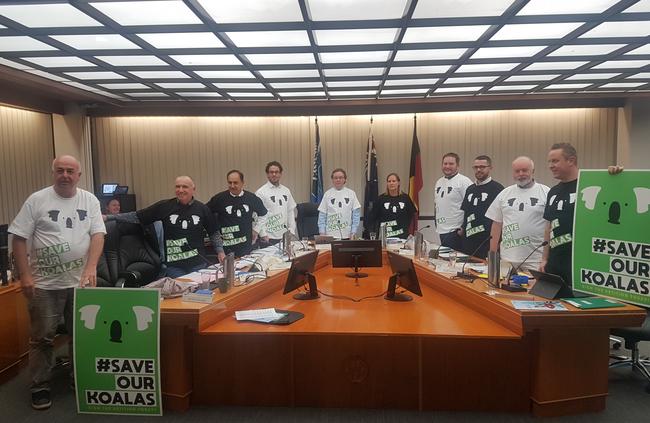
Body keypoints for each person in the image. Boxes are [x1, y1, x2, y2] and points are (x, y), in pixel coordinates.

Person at [9, 155, 106, 410]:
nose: (65, 175)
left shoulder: (89, 200)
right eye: (60, 170)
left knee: (81, 334)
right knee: (42, 337)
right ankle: (40, 384)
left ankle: (79, 378)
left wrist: (92, 267)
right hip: (44, 284)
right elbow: (18, 238)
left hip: (80, 283)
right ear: (53, 173)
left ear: (79, 175)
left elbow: (97, 235)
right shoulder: (37, 200)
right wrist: (25, 275)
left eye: (70, 171)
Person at [106, 176, 224, 278]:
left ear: (193, 189)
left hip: (198, 265)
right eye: (177, 187)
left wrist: (220, 252)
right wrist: (109, 217)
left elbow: (213, 233)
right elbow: (137, 216)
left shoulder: (202, 209)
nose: (180, 190)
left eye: (185, 187)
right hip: (174, 267)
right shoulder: (165, 206)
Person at [486, 156, 549, 271]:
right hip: (507, 259)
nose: (521, 174)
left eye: (525, 170)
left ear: (533, 171)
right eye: (517, 171)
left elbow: (551, 227)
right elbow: (496, 224)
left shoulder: (546, 193)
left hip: (535, 260)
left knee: (532, 289)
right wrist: (493, 255)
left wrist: (546, 258)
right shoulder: (504, 194)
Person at [207, 170, 267, 258]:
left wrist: (256, 230)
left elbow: (264, 214)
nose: (232, 186)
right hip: (227, 250)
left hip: (246, 248)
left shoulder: (251, 198)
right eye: (229, 182)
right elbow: (205, 214)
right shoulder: (219, 199)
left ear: (242, 183)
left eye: (235, 183)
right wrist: (214, 231)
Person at [460, 155, 504, 258]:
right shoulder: (470, 189)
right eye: (476, 167)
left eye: (482, 167)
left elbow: (501, 218)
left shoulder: (498, 189)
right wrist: (462, 229)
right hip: (468, 241)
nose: (478, 169)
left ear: (490, 168)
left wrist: (497, 243)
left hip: (487, 242)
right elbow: (466, 212)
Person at [434, 152, 472, 250]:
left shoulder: (464, 181)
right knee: (446, 261)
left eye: (451, 164)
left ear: (458, 166)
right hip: (442, 230)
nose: (447, 166)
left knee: (456, 262)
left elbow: (471, 206)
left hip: (456, 231)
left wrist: (464, 227)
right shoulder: (439, 182)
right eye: (445, 163)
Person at [254, 161, 297, 245]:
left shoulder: (286, 190)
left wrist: (292, 229)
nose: (274, 174)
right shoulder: (260, 192)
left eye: (276, 172)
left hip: (285, 236)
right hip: (268, 237)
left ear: (280, 174)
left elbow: (290, 211)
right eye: (271, 172)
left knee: (287, 258)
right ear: (267, 174)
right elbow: (256, 216)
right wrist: (263, 234)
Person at [367, 173, 416, 239]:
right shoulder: (381, 199)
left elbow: (412, 215)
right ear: (387, 184)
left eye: (394, 181)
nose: (391, 183)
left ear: (398, 183)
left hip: (402, 236)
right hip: (385, 237)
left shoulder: (405, 198)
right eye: (389, 181)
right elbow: (373, 217)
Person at [318, 168, 361, 239]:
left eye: (340, 178)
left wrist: (353, 232)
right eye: (335, 178)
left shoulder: (351, 193)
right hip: (330, 235)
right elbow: (322, 215)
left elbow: (356, 215)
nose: (338, 180)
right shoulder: (327, 194)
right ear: (332, 180)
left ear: (345, 179)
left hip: (347, 235)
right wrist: (322, 233)